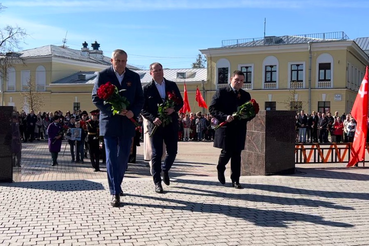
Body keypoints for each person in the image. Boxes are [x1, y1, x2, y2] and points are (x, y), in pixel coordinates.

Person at [92, 49, 144, 207]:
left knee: (123, 158)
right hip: (109, 123)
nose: (121, 64)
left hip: (127, 122)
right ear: (111, 61)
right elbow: (96, 97)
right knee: (111, 157)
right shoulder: (103, 75)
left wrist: (132, 112)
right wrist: (112, 110)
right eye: (118, 60)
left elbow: (140, 99)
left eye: (124, 61)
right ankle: (114, 192)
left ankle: (117, 184)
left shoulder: (134, 77)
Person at [141, 62, 184, 193]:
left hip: (171, 124)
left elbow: (180, 102)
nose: (158, 72)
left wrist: (173, 109)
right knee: (156, 154)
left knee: (172, 152)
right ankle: (157, 183)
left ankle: (165, 169)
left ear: (163, 71)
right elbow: (142, 108)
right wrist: (153, 118)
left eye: (160, 70)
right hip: (156, 125)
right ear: (151, 73)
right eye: (156, 70)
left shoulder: (171, 85)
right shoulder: (146, 89)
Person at [209, 70, 252, 189]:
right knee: (226, 152)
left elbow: (250, 112)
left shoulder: (245, 95)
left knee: (237, 154)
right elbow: (212, 109)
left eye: (241, 81)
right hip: (226, 128)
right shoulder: (222, 92)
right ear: (231, 80)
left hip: (239, 128)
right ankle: (220, 167)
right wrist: (225, 116)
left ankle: (235, 180)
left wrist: (247, 116)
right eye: (236, 80)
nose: (239, 82)